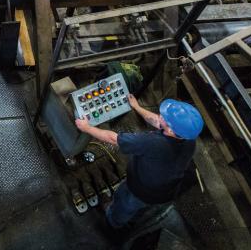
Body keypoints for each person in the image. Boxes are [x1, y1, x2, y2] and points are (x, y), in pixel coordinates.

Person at [75, 94, 203, 230]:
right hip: (167, 189)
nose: (160, 115)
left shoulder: (153, 143)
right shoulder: (188, 139)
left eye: (164, 117)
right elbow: (157, 121)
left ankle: (112, 223)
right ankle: (132, 215)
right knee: (137, 206)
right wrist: (137, 107)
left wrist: (87, 128)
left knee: (124, 205)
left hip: (142, 190)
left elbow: (113, 139)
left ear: (171, 130)